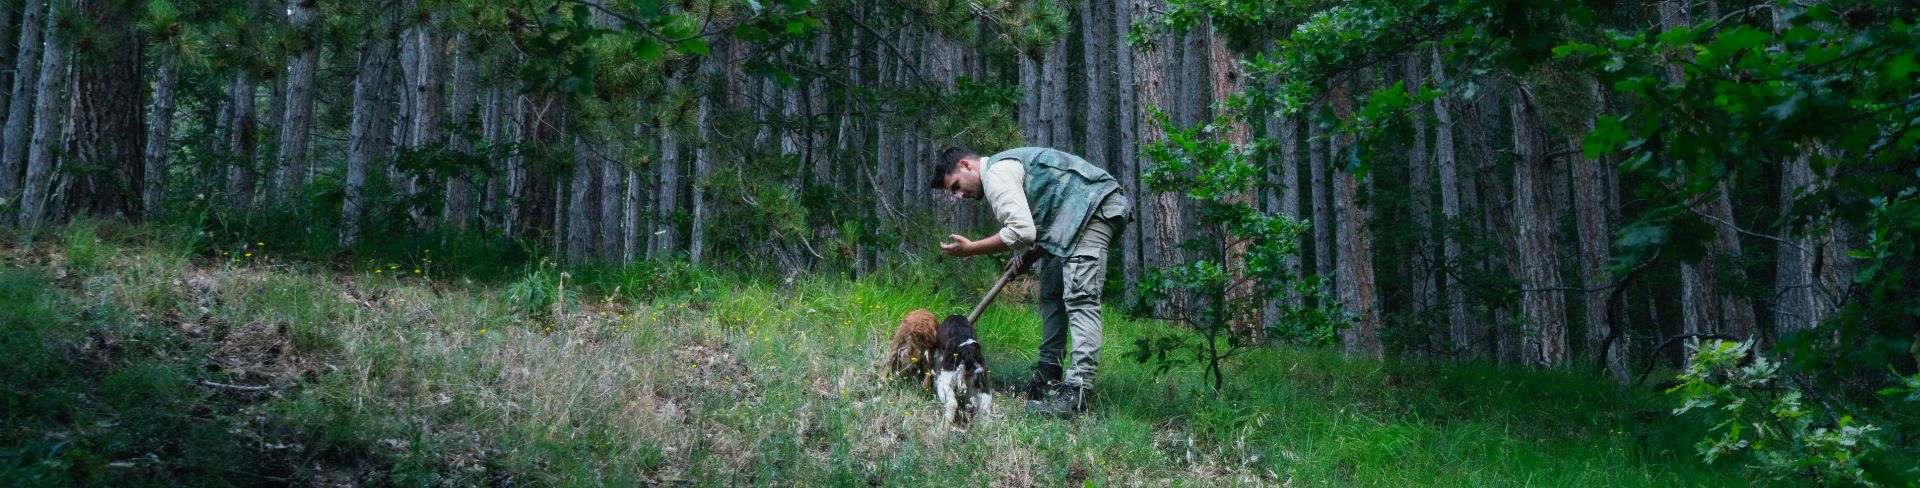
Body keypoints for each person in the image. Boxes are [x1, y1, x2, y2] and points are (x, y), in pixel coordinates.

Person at [930, 145, 1129, 419]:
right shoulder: (1003, 169)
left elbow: (1022, 230)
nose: (961, 195)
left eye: (956, 187)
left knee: (1080, 297)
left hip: (1094, 208)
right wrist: (1029, 255)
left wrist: (973, 248)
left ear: (966, 165)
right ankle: (1047, 378)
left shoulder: (996, 174)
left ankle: (1076, 393)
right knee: (1051, 291)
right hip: (1075, 218)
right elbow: (1047, 215)